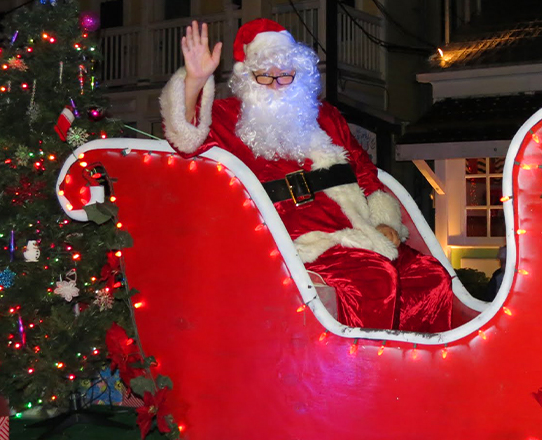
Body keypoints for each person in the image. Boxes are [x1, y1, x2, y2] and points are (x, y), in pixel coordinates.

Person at [160, 18, 452, 332]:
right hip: (291, 242)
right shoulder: (230, 118)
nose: (275, 84)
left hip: (357, 231)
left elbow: (365, 173)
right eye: (265, 76)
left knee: (431, 277)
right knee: (375, 278)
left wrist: (384, 222)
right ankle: (362, 374)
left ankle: (419, 371)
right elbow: (186, 139)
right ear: (247, 78)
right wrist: (194, 81)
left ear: (299, 73)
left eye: (285, 75)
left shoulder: (326, 116)